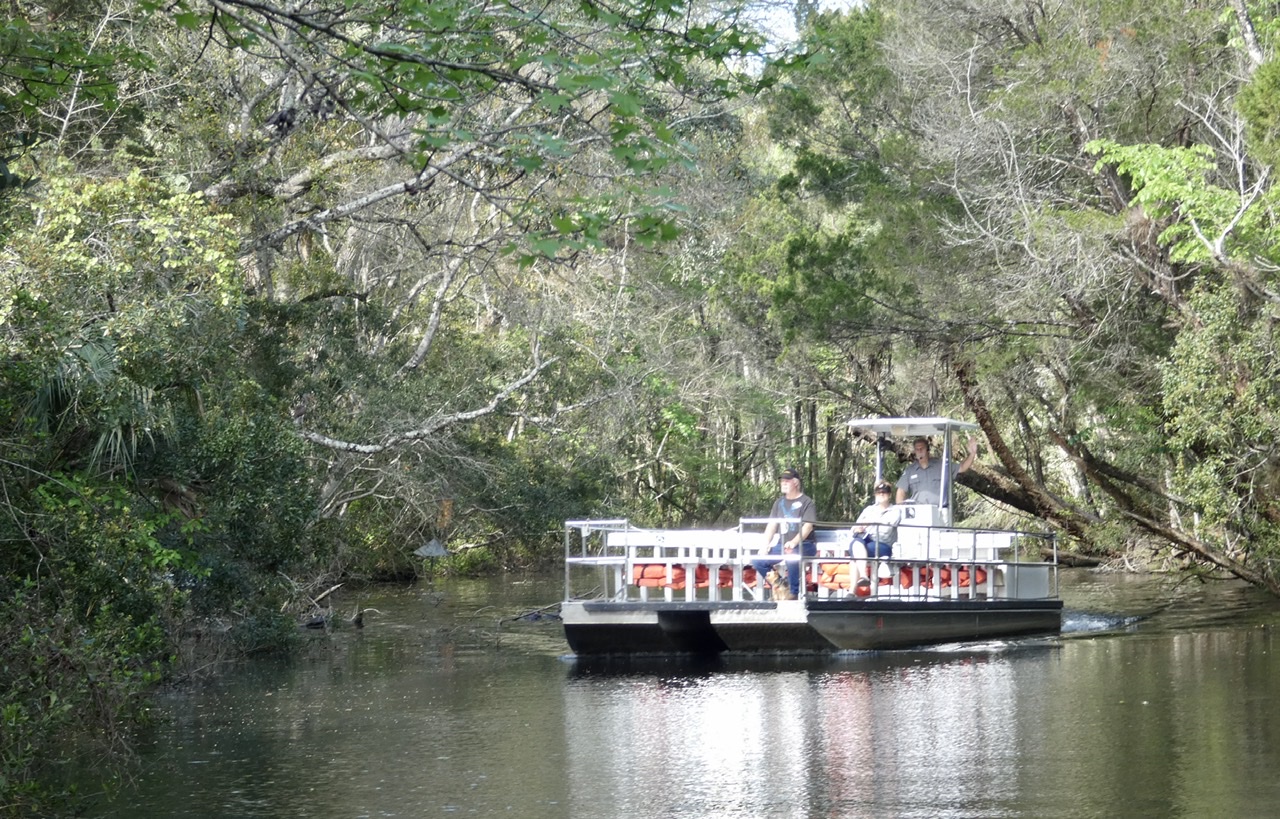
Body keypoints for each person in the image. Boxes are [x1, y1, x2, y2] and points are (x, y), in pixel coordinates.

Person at [752, 467, 817, 600]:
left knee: (790, 554)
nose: (783, 483)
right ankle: (782, 586)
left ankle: (793, 593)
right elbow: (771, 525)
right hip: (782, 545)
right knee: (758, 561)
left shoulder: (807, 502)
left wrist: (793, 542)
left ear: (796, 483)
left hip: (805, 544)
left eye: (787, 481)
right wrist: (765, 545)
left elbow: (808, 526)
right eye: (782, 481)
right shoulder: (779, 503)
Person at [895, 436, 978, 506]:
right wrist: (901, 510)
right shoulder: (910, 470)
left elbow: (962, 467)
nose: (920, 451)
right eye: (917, 449)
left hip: (939, 512)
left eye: (922, 448)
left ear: (927, 450)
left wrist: (972, 453)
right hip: (918, 513)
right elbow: (901, 491)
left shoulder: (941, 465)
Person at [851, 481, 901, 592]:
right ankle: (862, 578)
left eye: (884, 492)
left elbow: (885, 531)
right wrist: (858, 529)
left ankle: (853, 590)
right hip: (865, 540)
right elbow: (854, 528)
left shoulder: (895, 510)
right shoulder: (869, 509)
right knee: (856, 544)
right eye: (878, 492)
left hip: (883, 544)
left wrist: (868, 524)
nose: (881, 494)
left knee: (856, 551)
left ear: (889, 495)